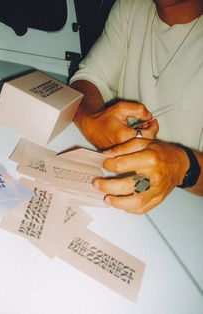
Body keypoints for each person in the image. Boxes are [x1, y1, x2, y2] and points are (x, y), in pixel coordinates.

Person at [70, 0, 203, 214]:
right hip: (115, 191)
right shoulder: (130, 6)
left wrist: (182, 167)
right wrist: (90, 117)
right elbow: (87, 79)